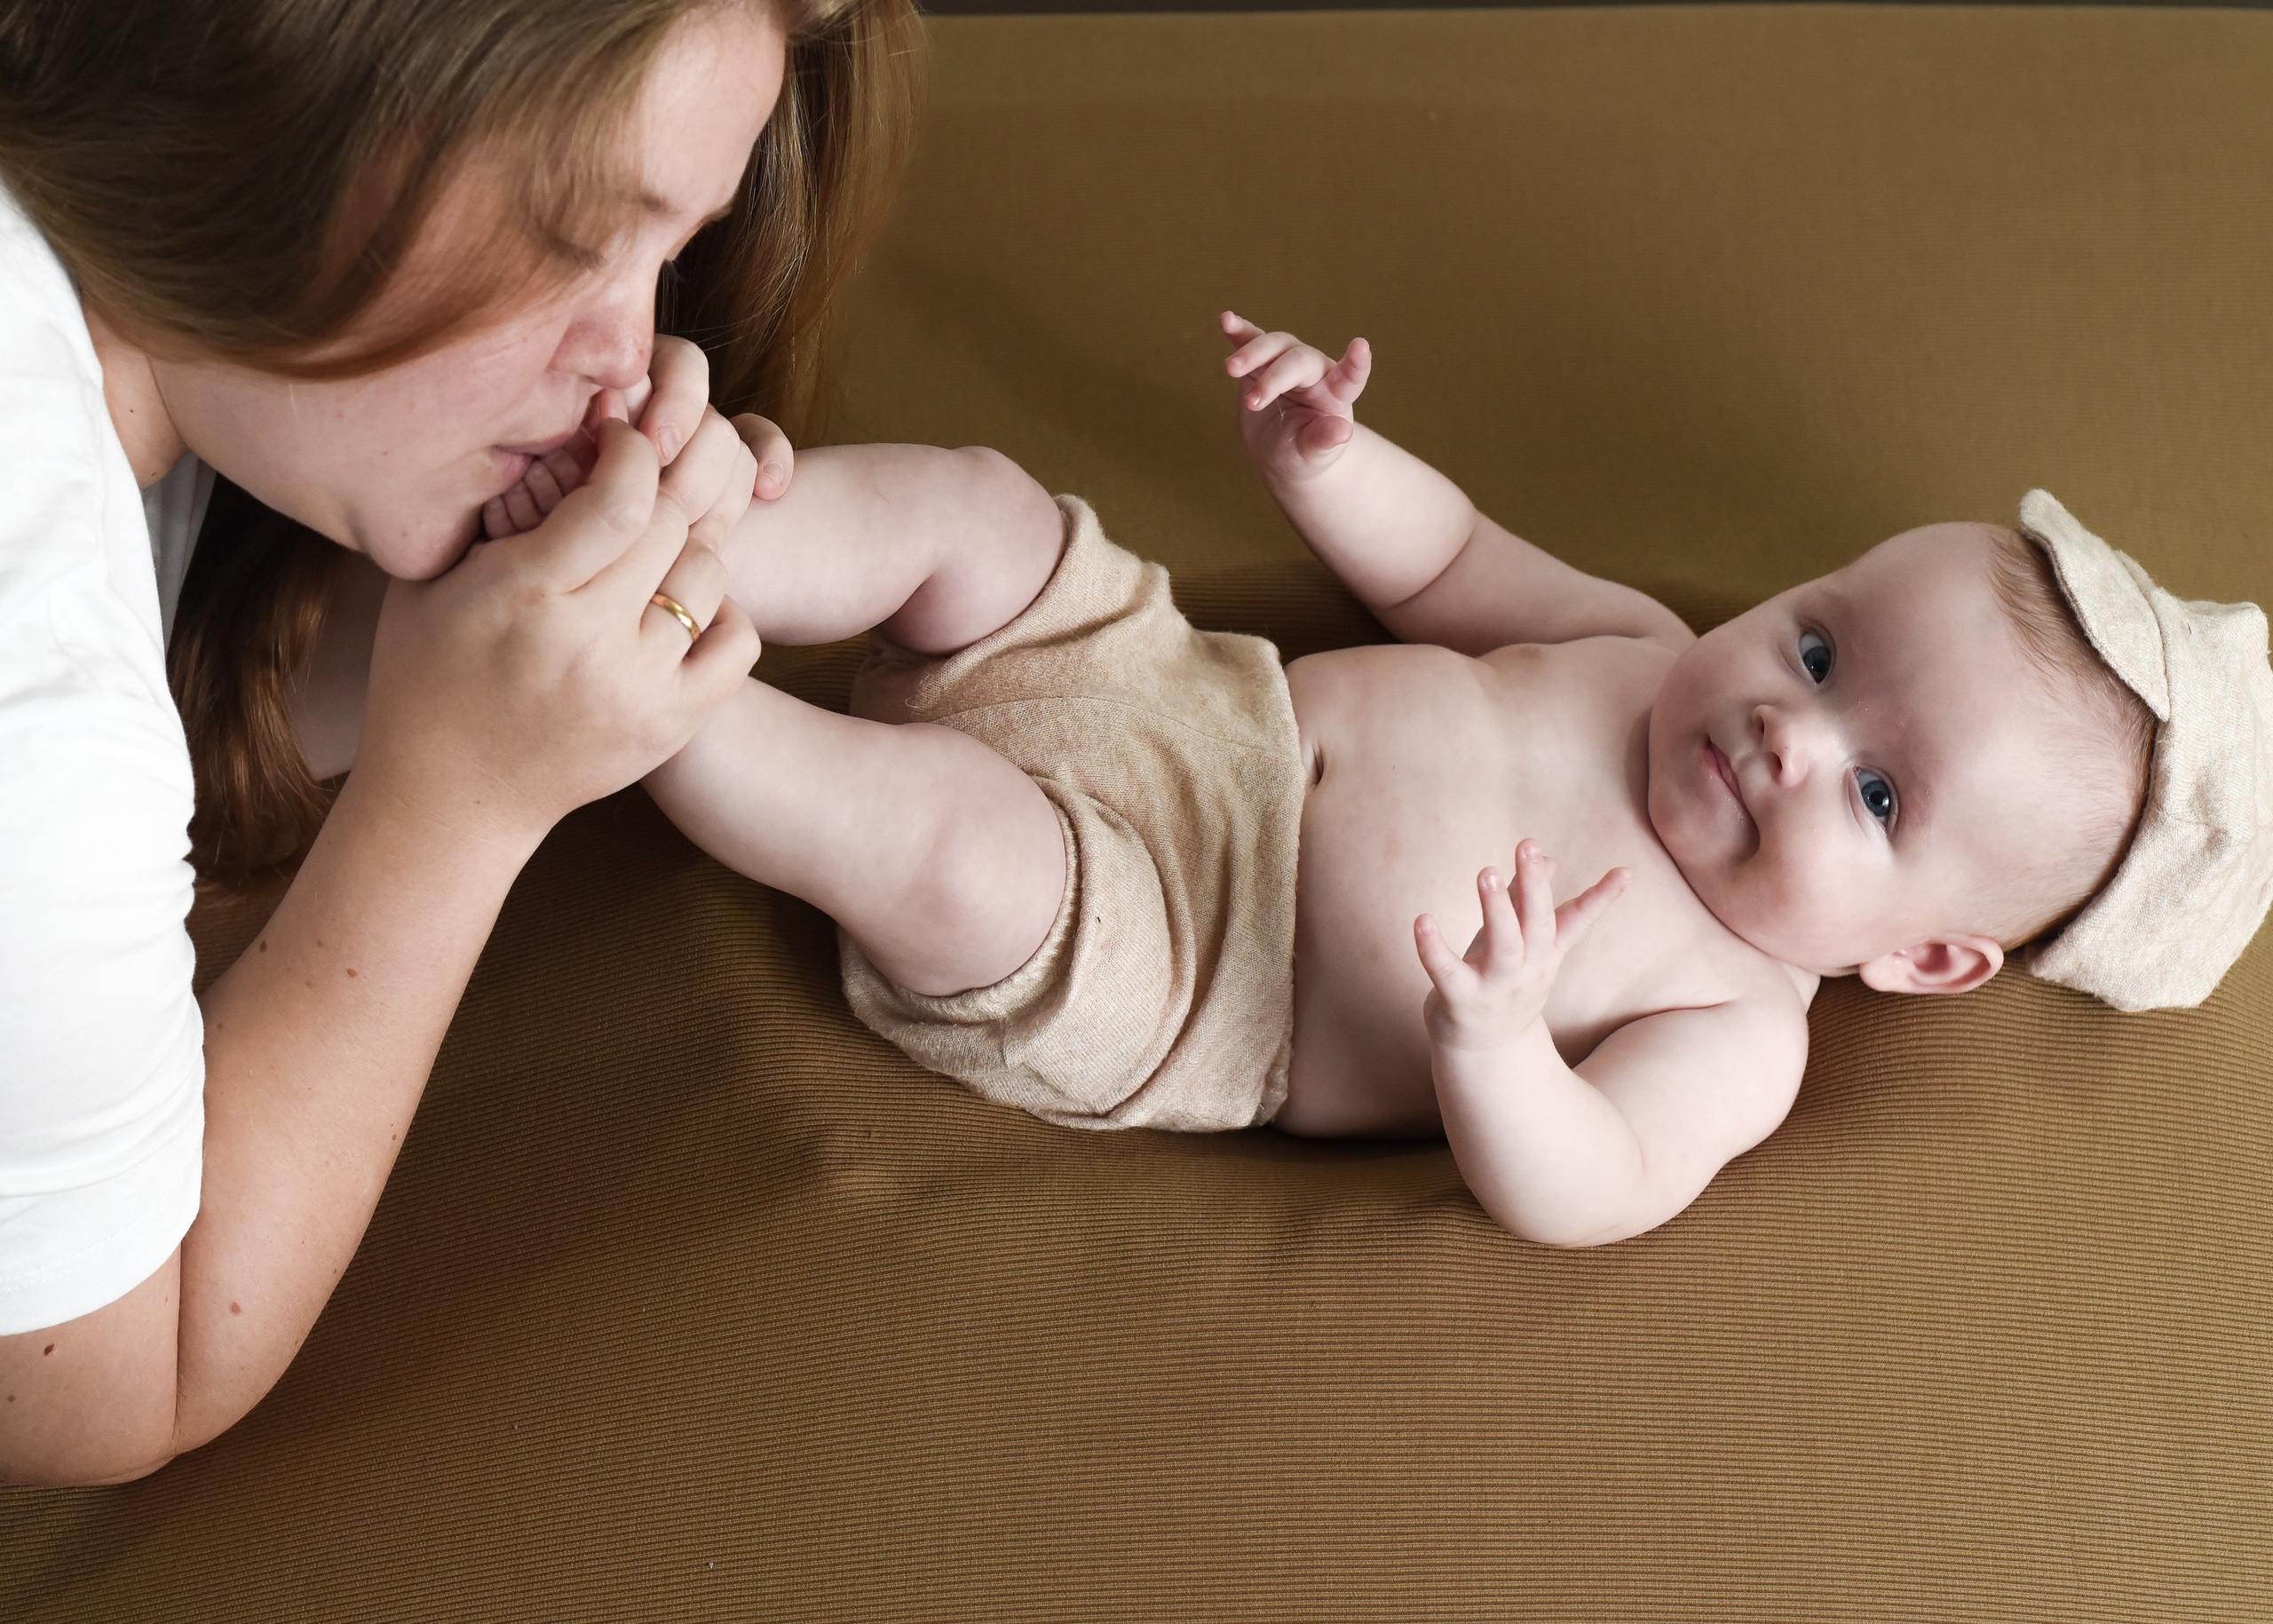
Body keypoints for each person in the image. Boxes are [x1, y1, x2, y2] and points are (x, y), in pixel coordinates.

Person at [630, 312, 2273, 1246]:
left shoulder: (1739, 1022)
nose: (1790, 727)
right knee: (983, 510)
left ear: (1922, 958)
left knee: (960, 856)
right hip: (1162, 687)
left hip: (1179, 955)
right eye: (1822, 650)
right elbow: (1454, 561)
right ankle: (682, 526)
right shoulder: (1637, 644)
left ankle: (650, 688)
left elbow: (1594, 1186)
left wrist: (1496, 1048)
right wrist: (1332, 468)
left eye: (1880, 797)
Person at [0, 0, 920, 1486]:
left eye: (661, 258)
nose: (629, 360)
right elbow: (104, 1379)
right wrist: (464, 797)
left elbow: (150, 718)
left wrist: (507, 622)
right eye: (574, 239)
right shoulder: (31, 720)